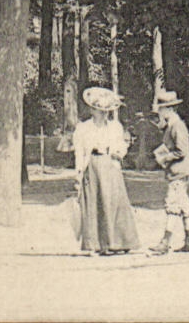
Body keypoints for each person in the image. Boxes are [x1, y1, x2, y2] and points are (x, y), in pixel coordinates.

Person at [73, 86, 142, 255]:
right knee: (94, 202)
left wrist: (120, 152)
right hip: (93, 165)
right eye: (100, 110)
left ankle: (119, 242)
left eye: (106, 111)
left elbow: (121, 144)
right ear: (92, 110)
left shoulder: (114, 126)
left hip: (110, 165)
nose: (104, 114)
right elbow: (79, 152)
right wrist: (79, 174)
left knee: (114, 201)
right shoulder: (83, 128)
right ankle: (95, 244)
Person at [148, 89, 189, 255]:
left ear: (169, 109)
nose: (159, 112)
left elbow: (181, 150)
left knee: (172, 205)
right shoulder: (172, 125)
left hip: (178, 171)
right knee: (183, 205)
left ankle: (165, 242)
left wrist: (165, 157)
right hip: (179, 171)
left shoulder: (177, 126)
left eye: (161, 109)